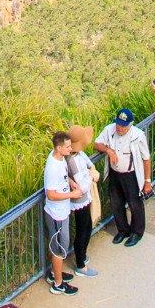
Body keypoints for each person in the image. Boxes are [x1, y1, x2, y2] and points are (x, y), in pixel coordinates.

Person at [94, 108, 152, 247]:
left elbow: (146, 159)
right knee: (116, 203)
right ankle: (123, 230)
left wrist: (147, 181)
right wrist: (108, 150)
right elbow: (97, 144)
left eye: (123, 125)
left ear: (130, 125)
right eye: (118, 124)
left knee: (134, 204)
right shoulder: (110, 130)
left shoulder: (138, 136)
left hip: (131, 175)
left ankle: (137, 232)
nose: (119, 128)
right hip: (115, 174)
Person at [42, 130, 79, 295]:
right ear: (58, 148)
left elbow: (62, 177)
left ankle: (54, 273)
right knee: (59, 249)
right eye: (68, 147)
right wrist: (72, 194)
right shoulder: (52, 168)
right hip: (56, 214)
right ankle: (57, 284)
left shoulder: (60, 158)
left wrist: (70, 182)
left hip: (62, 211)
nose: (70, 149)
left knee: (61, 247)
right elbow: (50, 194)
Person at [65, 126, 100, 277]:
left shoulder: (78, 154)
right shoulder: (72, 161)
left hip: (84, 198)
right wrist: (92, 176)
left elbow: (88, 162)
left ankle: (82, 255)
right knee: (82, 230)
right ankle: (80, 264)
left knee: (86, 227)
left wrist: (91, 169)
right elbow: (81, 185)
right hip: (79, 200)